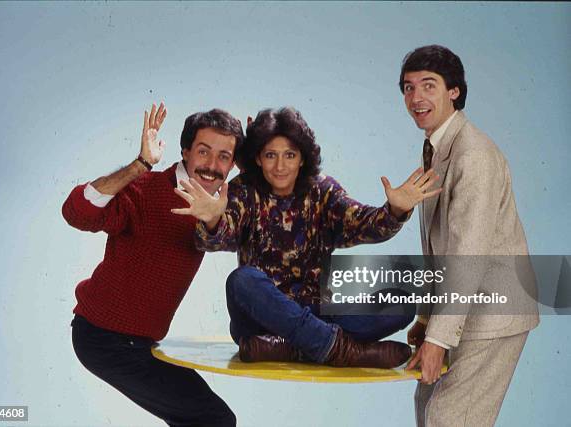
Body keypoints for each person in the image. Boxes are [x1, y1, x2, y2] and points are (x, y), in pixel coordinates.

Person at [172, 107, 441, 368]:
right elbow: (220, 237)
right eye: (270, 155)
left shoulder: (323, 191)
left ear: (302, 158)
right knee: (242, 281)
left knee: (402, 303)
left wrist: (395, 209)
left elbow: (361, 223)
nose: (280, 166)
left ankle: (289, 347)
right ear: (257, 158)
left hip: (317, 311)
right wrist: (212, 219)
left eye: (289, 155)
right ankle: (342, 350)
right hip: (261, 318)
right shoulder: (244, 190)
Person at [62, 102, 243, 427]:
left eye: (224, 157)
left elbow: (236, 232)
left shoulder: (221, 205)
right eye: (204, 152)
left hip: (140, 343)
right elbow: (76, 213)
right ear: (185, 151)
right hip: (103, 339)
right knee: (213, 420)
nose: (213, 165)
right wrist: (140, 164)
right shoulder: (146, 191)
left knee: (208, 419)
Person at [399, 45, 540, 426]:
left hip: (494, 311)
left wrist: (439, 339)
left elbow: (467, 254)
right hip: (465, 307)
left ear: (454, 91)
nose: (417, 98)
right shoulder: (437, 147)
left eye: (429, 86)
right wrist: (428, 319)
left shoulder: (472, 155)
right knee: (427, 408)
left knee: (447, 419)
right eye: (409, 88)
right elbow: (438, 249)